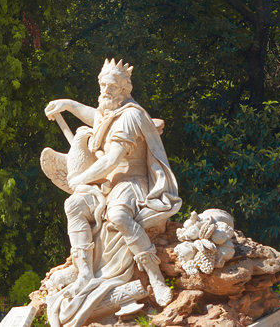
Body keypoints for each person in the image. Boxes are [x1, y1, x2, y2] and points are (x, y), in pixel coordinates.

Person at [43, 59, 182, 320]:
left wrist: (81, 178)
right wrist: (68, 105)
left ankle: (155, 275)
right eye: (102, 84)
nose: (105, 90)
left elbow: (113, 159)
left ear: (123, 90)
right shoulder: (110, 111)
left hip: (133, 181)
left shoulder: (130, 115)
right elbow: (97, 118)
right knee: (72, 205)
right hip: (108, 183)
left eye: (111, 86)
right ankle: (84, 272)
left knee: (118, 216)